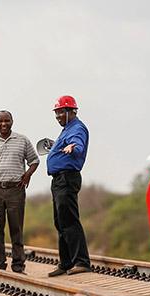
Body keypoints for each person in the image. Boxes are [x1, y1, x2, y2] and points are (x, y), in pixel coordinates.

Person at [0, 110, 39, 273]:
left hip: (15, 190)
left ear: (12, 121)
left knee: (16, 228)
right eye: (0, 121)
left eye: (7, 121)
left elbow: (34, 160)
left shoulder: (22, 140)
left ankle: (18, 264)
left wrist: (27, 175)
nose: (3, 124)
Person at [46, 95, 92, 277]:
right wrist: (56, 147)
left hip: (67, 178)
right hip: (58, 180)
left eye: (60, 112)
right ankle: (65, 263)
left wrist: (73, 147)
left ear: (71, 111)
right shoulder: (66, 129)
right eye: (56, 113)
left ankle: (81, 261)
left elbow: (77, 143)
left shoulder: (77, 128)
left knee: (69, 220)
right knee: (60, 221)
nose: (57, 116)